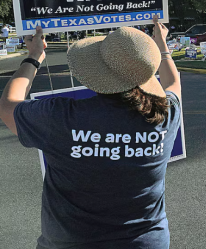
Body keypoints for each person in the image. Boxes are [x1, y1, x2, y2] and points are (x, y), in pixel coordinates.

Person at [0, 16, 181, 249]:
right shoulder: (166, 114)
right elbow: (174, 84)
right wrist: (162, 47)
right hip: (148, 242)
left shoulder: (63, 117)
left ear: (99, 73)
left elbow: (7, 107)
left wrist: (33, 57)